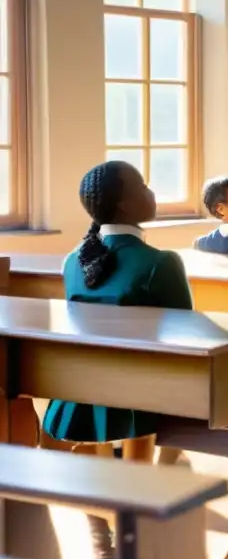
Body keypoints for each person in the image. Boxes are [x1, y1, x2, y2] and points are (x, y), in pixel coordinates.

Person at [42, 161, 195, 460]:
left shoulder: (73, 261)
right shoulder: (161, 263)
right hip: (142, 397)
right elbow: (187, 336)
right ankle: (163, 465)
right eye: (143, 186)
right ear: (124, 204)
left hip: (79, 393)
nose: (151, 193)